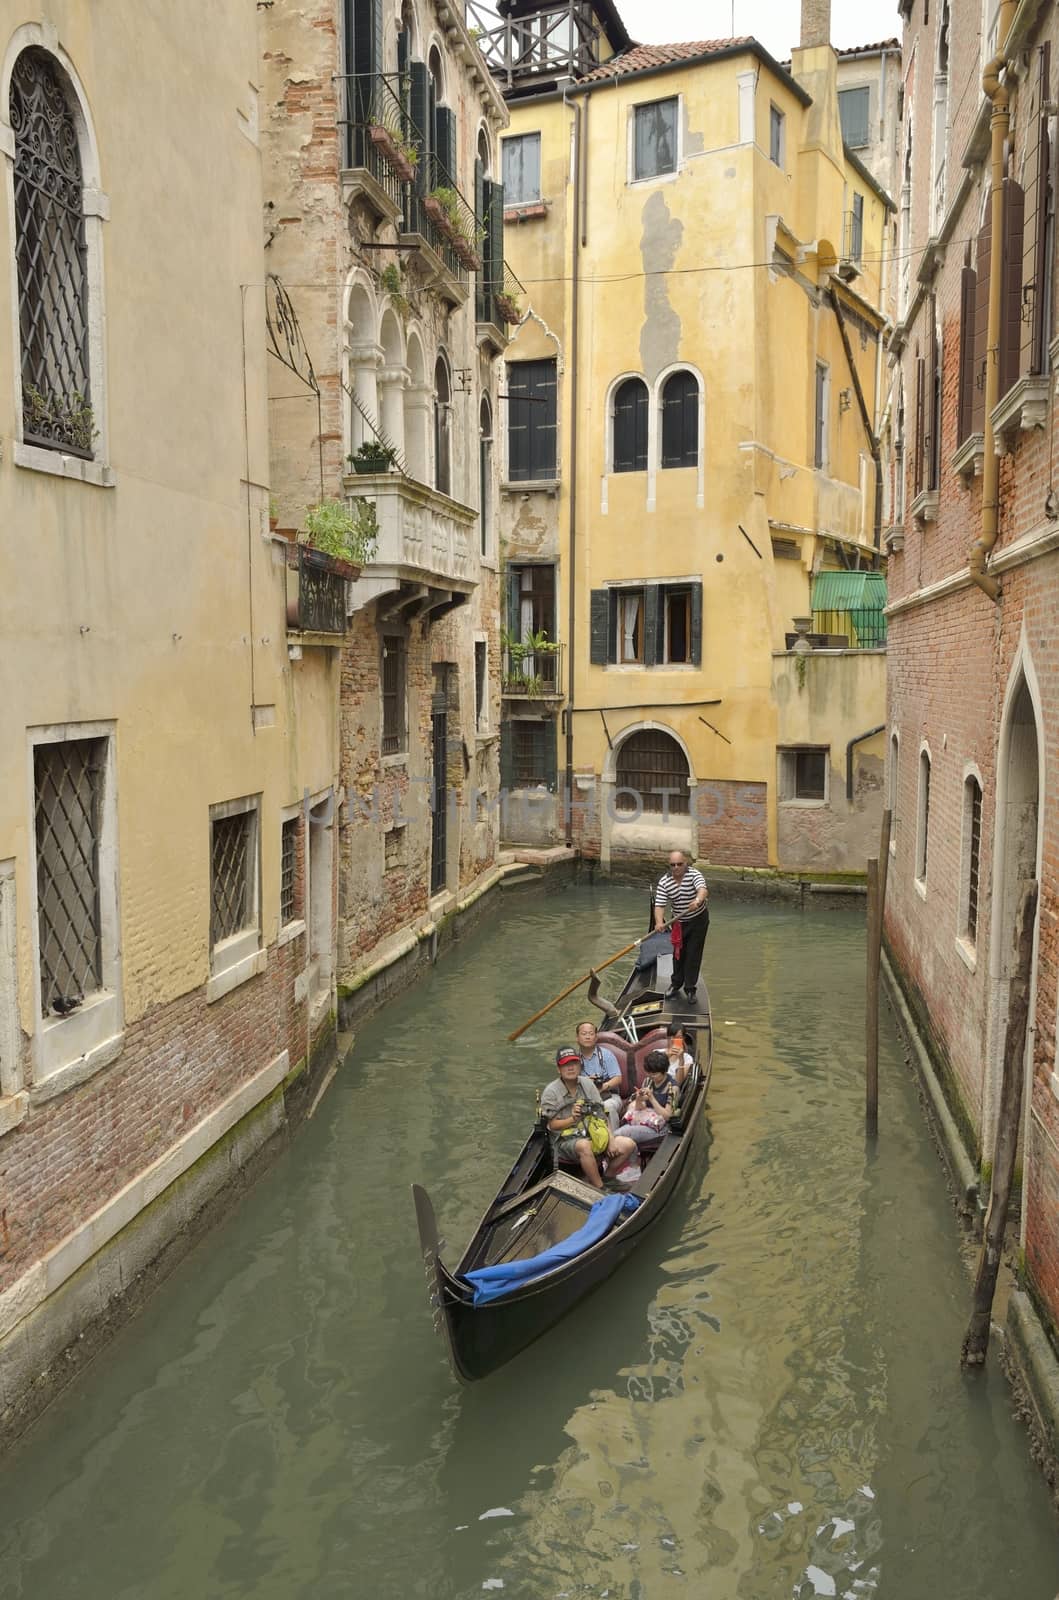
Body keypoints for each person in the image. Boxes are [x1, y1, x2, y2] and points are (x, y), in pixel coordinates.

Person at [540, 1046, 637, 1189]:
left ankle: (608, 1177)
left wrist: (610, 1140)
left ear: (579, 1065)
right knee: (584, 1145)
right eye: (566, 1065)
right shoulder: (551, 1092)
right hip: (565, 1141)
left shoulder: (587, 1084)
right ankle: (599, 1188)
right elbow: (551, 1125)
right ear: (558, 1069)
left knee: (628, 1144)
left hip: (593, 1133)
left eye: (573, 1063)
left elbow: (602, 1115)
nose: (570, 1068)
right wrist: (572, 1119)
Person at [653, 848, 709, 1001]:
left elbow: (703, 890)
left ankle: (690, 989)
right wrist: (659, 922)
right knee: (678, 954)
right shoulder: (665, 882)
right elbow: (659, 905)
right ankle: (676, 984)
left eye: (679, 864)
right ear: (669, 866)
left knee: (693, 954)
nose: (676, 868)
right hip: (678, 922)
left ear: (685, 863)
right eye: (673, 865)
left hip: (698, 920)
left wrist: (697, 901)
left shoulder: (694, 874)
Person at [620, 1050, 680, 1151]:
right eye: (649, 1073)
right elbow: (640, 1108)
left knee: (620, 1134)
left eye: (655, 1074)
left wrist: (652, 1098)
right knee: (621, 1135)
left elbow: (667, 1116)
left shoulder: (673, 1088)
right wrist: (639, 1099)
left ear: (664, 1071)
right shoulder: (648, 1081)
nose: (651, 1076)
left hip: (661, 1127)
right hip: (644, 1120)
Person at [576, 1019, 623, 1133]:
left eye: (591, 1034)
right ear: (577, 1038)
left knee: (607, 1107)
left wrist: (603, 1086)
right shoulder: (574, 1059)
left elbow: (618, 1078)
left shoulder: (606, 1055)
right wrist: (586, 1081)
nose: (588, 1037)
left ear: (596, 1038)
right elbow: (569, 1083)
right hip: (585, 1099)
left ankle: (613, 1138)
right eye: (584, 1034)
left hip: (609, 1096)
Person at [665, 1021, 694, 1086]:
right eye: (671, 1037)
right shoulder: (657, 1052)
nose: (673, 1040)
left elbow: (678, 1083)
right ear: (667, 1038)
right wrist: (665, 1058)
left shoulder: (687, 1058)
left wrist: (681, 1060)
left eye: (678, 1037)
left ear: (683, 1038)